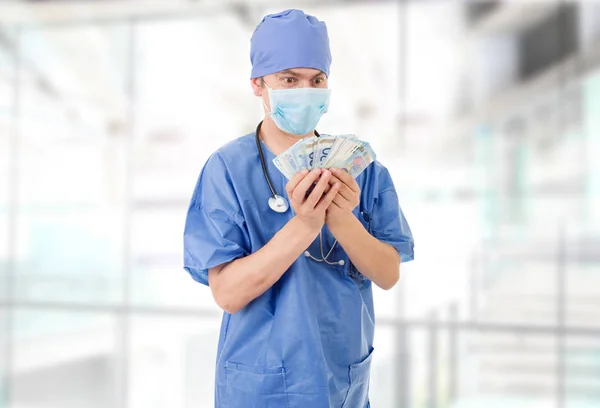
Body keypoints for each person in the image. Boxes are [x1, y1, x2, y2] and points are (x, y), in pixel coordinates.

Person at [183, 9, 414, 408]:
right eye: (289, 79)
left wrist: (342, 220)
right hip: (258, 386)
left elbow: (389, 273)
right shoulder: (227, 171)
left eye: (316, 80)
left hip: (340, 380)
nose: (304, 90)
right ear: (258, 85)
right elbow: (227, 293)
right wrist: (305, 226)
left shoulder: (362, 169)